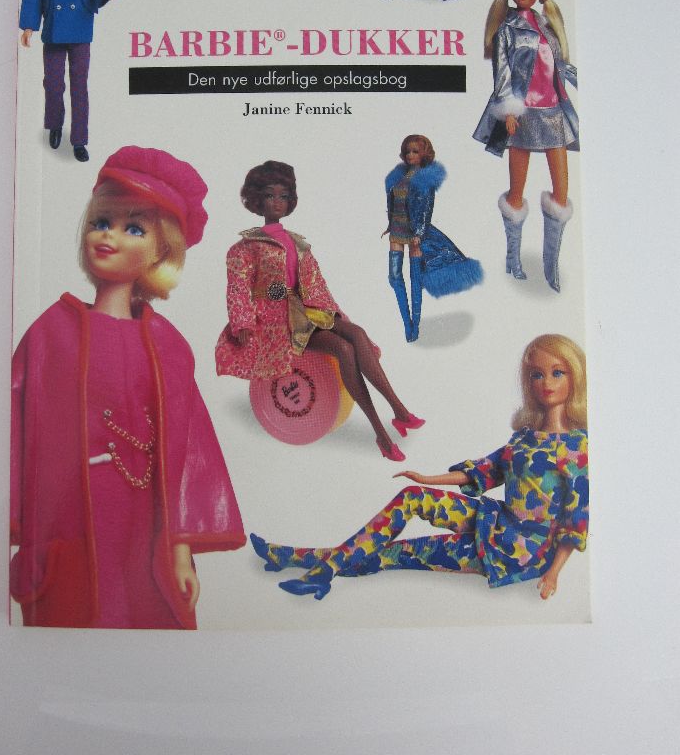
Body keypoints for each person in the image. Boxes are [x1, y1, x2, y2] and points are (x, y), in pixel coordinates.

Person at [10, 146, 245, 629]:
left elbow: (187, 449)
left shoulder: (167, 346)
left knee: (146, 619)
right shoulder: (51, 333)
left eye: (133, 228)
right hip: (67, 521)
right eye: (102, 222)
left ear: (162, 250)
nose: (109, 236)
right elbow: (11, 431)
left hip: (144, 522)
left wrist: (180, 551)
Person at [250, 334, 588, 602]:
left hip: (520, 552)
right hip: (495, 521)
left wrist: (554, 573)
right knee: (413, 495)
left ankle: (295, 559)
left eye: (557, 372)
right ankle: (313, 567)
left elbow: (576, 521)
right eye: (537, 375)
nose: (546, 382)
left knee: (395, 553)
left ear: (575, 377)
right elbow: (484, 471)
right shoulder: (524, 438)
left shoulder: (578, 449)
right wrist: (427, 479)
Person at [215, 160, 425, 461]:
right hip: (278, 322)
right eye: (270, 195)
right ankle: (381, 433)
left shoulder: (298, 243)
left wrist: (334, 312)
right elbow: (237, 288)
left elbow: (316, 283)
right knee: (343, 349)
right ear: (257, 199)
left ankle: (398, 410)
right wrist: (244, 323)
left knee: (356, 333)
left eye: (284, 196)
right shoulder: (245, 249)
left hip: (309, 311)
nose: (277, 202)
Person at [472, 0, 579, 291]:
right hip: (522, 115)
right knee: (516, 193)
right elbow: (502, 72)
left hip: (553, 112)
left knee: (561, 193)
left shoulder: (547, 24)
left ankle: (551, 264)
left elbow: (558, 64)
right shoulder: (508, 28)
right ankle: (513, 259)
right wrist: (508, 110)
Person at [19, 0, 118, 162]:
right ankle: (54, 125)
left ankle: (79, 140)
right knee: (52, 83)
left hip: (80, 26)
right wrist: (29, 26)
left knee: (79, 86)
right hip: (54, 27)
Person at [385, 134, 483, 342]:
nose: (410, 155)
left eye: (415, 151)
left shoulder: (425, 179)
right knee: (394, 277)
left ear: (424, 153)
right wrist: (389, 224)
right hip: (396, 230)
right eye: (408, 151)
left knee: (415, 279)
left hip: (414, 233)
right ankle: (407, 322)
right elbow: (394, 204)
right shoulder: (397, 177)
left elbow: (426, 209)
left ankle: (415, 327)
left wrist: (419, 234)